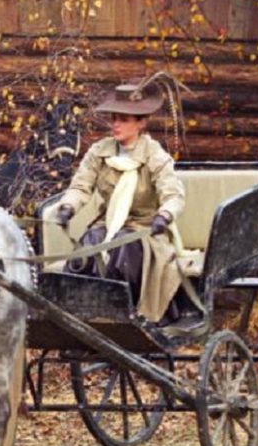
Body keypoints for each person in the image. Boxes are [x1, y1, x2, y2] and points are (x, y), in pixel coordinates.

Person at [54, 76, 186, 323]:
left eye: (123, 119)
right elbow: (81, 186)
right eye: (114, 118)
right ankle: (81, 317)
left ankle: (126, 318)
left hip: (144, 230)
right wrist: (68, 207)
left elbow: (174, 195)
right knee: (87, 247)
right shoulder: (99, 152)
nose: (115, 124)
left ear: (141, 123)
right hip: (107, 226)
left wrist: (164, 215)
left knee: (122, 250)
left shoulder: (155, 156)